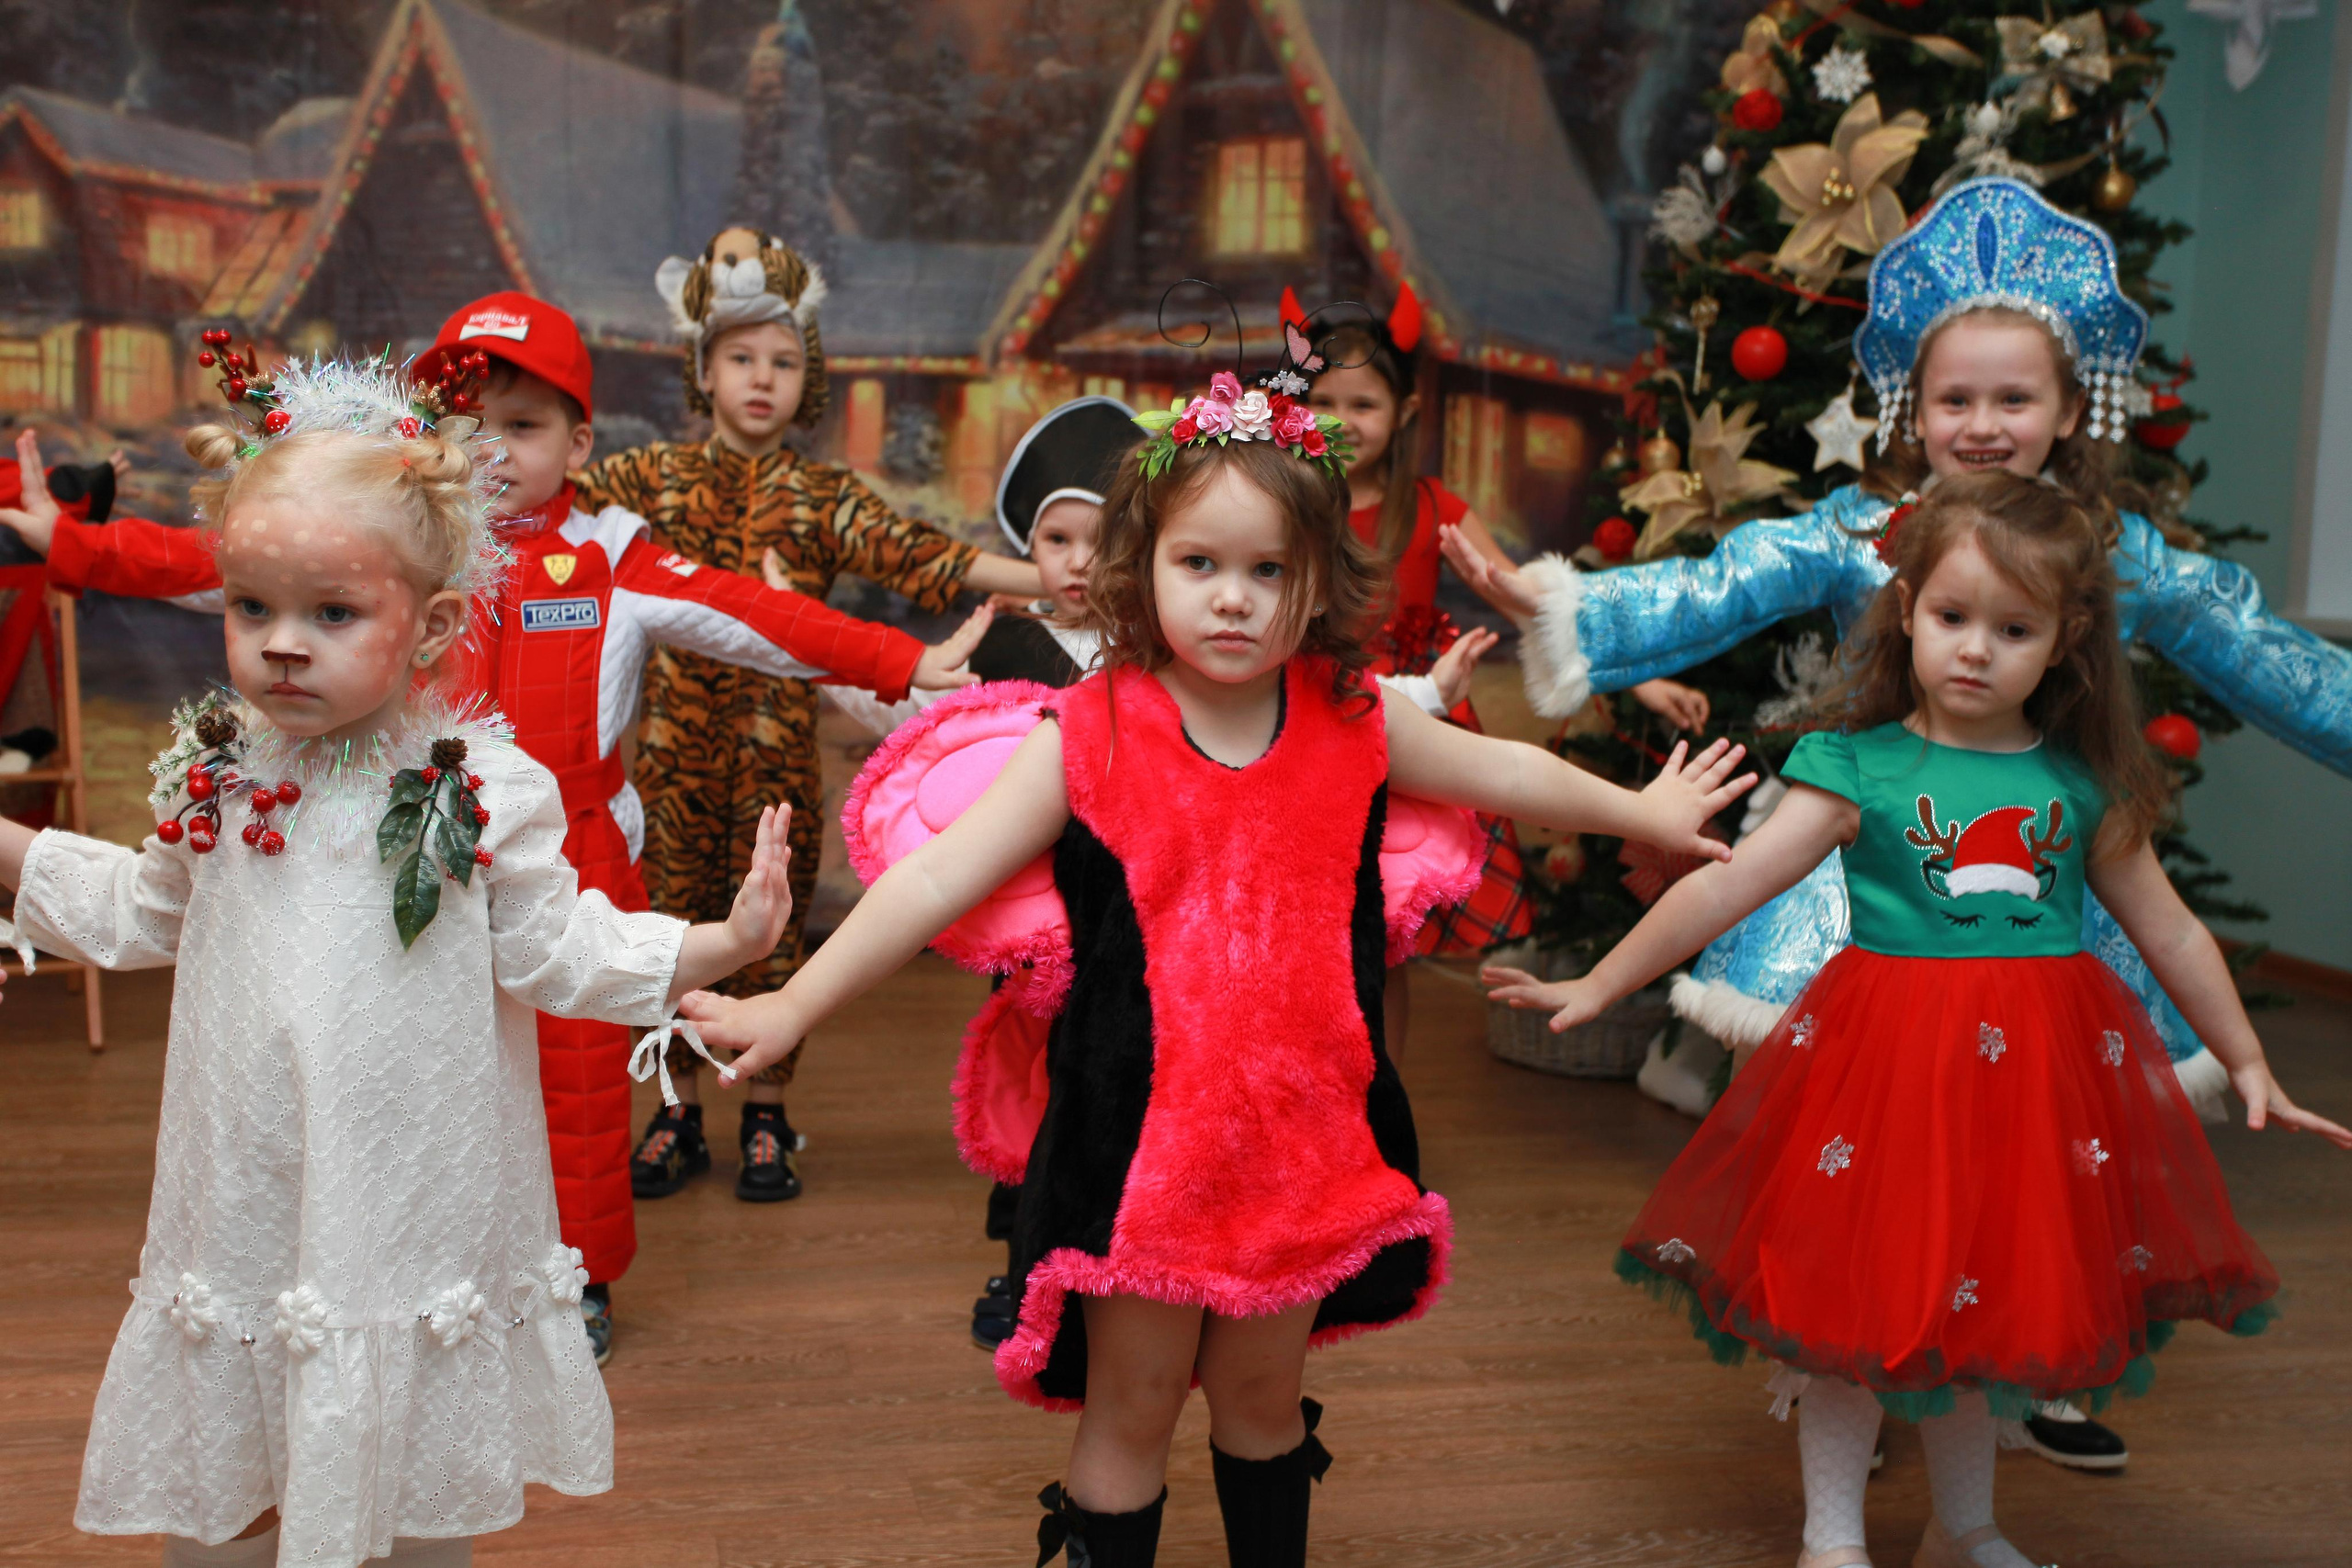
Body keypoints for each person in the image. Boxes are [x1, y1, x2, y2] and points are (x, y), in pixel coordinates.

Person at [671, 367, 1758, 1567]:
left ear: (1314, 582)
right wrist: (794, 999)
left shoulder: (1353, 715)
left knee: (1259, 1402)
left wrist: (1638, 811)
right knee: (1132, 1405)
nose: (1233, 599)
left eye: (1267, 570)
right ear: (1143, 568)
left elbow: (1509, 777)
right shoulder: (1089, 730)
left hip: (1301, 1144)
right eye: (1201, 564)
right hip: (1141, 1154)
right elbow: (936, 880)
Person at [1443, 177, 2352, 1468]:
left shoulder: (2119, 555)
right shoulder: (1861, 527)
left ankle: (2025, 1356)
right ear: (1910, 406)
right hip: (1875, 887)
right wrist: (1573, 607)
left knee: (2038, 1166)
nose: (1982, 426)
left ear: (2071, 404)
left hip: (2050, 908)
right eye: (1955, 400)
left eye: (2014, 398)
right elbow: (1723, 582)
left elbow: (2267, 655)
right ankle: (1860, 1359)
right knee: (1877, 1162)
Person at [0, 293, 991, 1366]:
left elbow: (760, 616)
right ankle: (409, 1274)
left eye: (524, 428)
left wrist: (897, 661)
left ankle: (583, 1276)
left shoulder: (612, 558)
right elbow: (217, 565)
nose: (495, 452)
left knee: (572, 1079)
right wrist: (82, 549)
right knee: (418, 1075)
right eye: (472, 425)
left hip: (570, 848)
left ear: (578, 441)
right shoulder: (385, 546)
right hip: (399, 850)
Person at [0, 357, 799, 1568]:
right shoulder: (223, 779)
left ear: (429, 623)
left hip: (403, 1197)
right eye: (250, 607)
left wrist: (723, 942)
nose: (278, 647)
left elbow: (559, 946)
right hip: (250, 1187)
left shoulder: (479, 789)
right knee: (230, 1489)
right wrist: (10, 845)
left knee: (409, 1502)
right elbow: (139, 907)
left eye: (331, 613)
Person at [1487, 469, 2350, 1568]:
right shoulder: (1858, 763)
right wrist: (1598, 983)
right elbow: (1722, 886)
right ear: (1908, 611)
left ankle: (1966, 1526)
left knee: (1980, 1311)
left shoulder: (2078, 780)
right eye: (1952, 617)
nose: (1975, 649)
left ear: (2066, 638)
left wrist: (2246, 1059)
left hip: (2031, 1082)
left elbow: (2172, 931)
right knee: (1857, 1316)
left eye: (2012, 627)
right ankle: (1832, 1540)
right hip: (1885, 1073)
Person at [576, 228, 1046, 1203]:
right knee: (669, 922)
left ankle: (764, 1115)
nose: (762, 380)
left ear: (808, 379)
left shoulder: (822, 494)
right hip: (667, 757)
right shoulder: (644, 483)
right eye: (741, 359)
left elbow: (924, 556)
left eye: (783, 363)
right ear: (703, 370)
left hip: (775, 759)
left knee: (772, 927)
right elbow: (538, 487)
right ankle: (674, 1110)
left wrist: (1052, 577)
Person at [1302, 286, 1705, 1053]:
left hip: (1411, 734)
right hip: (1310, 724)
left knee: (1380, 948)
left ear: (1406, 411)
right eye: (1323, 400)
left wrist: (1640, 678)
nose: (1343, 421)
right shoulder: (1283, 497)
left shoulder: (1431, 504)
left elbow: (1528, 600)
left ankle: (1376, 1114)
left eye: (1363, 403)